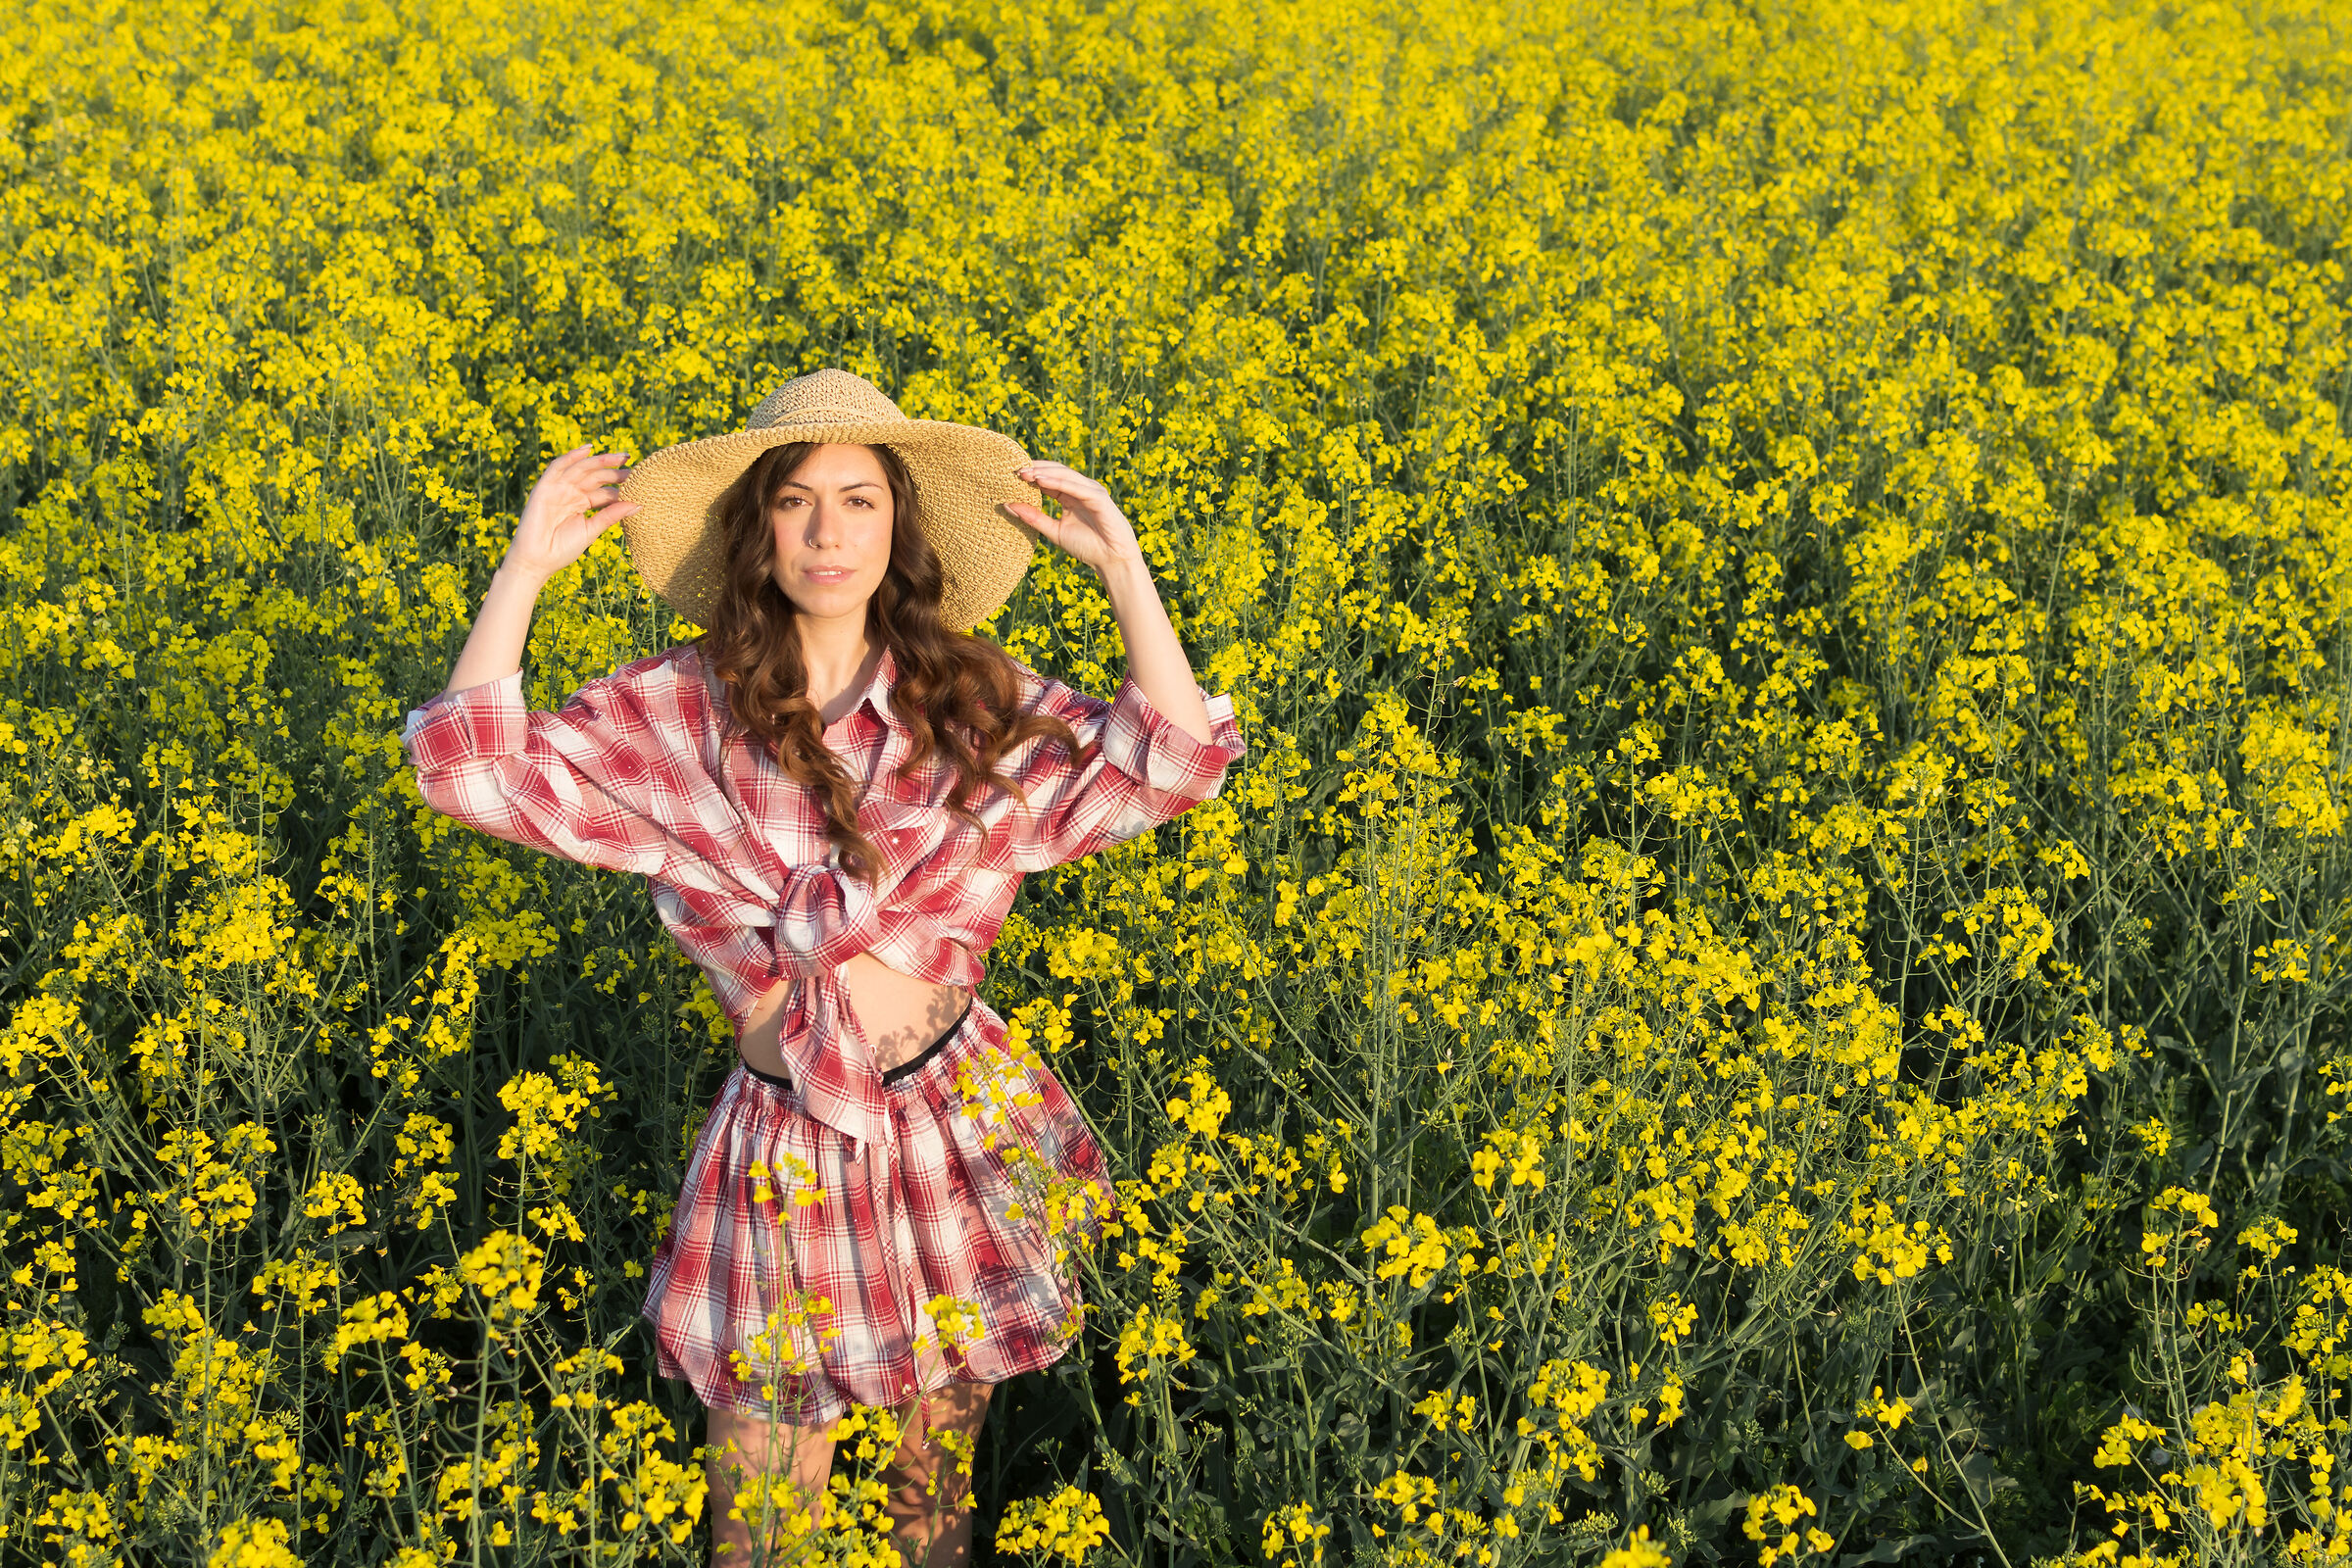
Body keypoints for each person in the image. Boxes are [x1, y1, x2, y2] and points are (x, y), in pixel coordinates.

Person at [399, 368, 1248, 1565]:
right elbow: (472, 775)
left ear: (899, 525)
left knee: (926, 1500)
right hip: (786, 1137)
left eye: (860, 500)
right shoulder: (679, 710)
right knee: (760, 1515)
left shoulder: (969, 697)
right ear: (758, 527)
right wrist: (522, 573)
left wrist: (1126, 577)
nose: (829, 531)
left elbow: (1166, 768)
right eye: (796, 501)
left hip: (955, 1119)